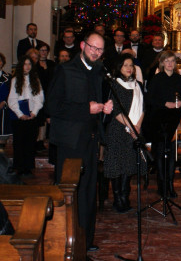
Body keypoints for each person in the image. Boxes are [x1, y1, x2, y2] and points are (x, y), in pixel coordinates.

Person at [46, 31, 113, 252]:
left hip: (90, 140)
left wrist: (104, 109)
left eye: (100, 49)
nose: (96, 52)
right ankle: (66, 239)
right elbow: (53, 108)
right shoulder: (65, 71)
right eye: (93, 47)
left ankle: (85, 239)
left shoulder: (99, 72)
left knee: (88, 192)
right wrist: (87, 108)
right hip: (69, 142)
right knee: (70, 191)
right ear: (83, 46)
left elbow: (96, 106)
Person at [103, 54, 146, 213]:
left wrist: (138, 126)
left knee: (128, 164)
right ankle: (117, 199)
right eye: (125, 65)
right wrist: (131, 127)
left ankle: (125, 197)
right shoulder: (114, 84)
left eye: (131, 65)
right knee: (117, 165)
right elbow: (115, 110)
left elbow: (143, 108)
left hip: (135, 130)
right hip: (118, 129)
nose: (129, 68)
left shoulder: (138, 85)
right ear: (119, 68)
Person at [146, 51, 181, 198]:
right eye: (167, 61)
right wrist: (165, 103)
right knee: (159, 153)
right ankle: (161, 184)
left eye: (172, 61)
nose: (170, 64)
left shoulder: (180, 79)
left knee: (172, 155)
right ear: (162, 63)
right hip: (159, 121)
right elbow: (149, 99)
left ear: (175, 63)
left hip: (174, 121)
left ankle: (170, 184)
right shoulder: (157, 79)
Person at [7, 56, 44, 177]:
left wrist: (34, 112)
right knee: (19, 143)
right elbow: (12, 100)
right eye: (25, 64)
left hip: (32, 116)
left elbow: (40, 98)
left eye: (29, 64)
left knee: (30, 143)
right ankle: (19, 167)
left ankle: (28, 167)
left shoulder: (36, 80)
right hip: (19, 117)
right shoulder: (15, 80)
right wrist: (20, 114)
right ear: (21, 66)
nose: (27, 66)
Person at [0, 53, 12, 136]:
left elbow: (11, 93)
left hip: (3, 109)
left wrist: (4, 102)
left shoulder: (9, 77)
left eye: (0, 61)